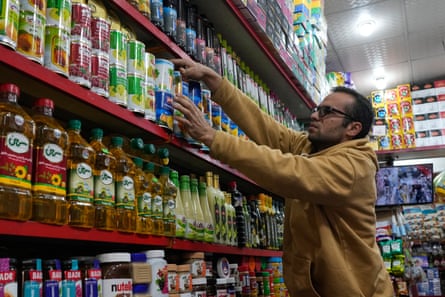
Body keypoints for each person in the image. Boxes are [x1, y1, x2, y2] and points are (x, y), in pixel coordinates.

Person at [170, 58, 394, 297]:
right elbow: (270, 131)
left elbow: (288, 171)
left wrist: (212, 137)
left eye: (327, 112)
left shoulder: (353, 166)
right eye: (318, 108)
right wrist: (214, 81)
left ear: (353, 128)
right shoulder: (315, 147)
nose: (315, 115)